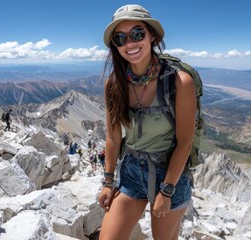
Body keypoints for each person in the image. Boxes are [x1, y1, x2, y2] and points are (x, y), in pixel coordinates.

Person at [98, 4, 196, 240]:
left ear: (152, 36)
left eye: (138, 34)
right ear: (115, 45)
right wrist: (108, 181)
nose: (130, 43)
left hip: (169, 173)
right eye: (120, 38)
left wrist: (167, 190)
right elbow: (112, 137)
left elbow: (185, 142)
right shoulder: (114, 84)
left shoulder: (180, 82)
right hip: (131, 170)